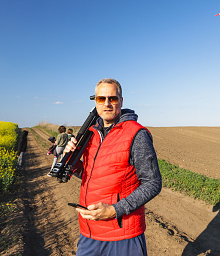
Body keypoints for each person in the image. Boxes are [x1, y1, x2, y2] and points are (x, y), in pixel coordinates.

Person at [64, 78, 162, 256]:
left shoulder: (136, 134)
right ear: (95, 102)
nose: (107, 104)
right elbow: (91, 174)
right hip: (90, 232)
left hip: (123, 235)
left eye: (112, 98)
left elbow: (152, 183)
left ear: (121, 101)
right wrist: (69, 159)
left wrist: (113, 210)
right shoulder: (90, 134)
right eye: (101, 99)